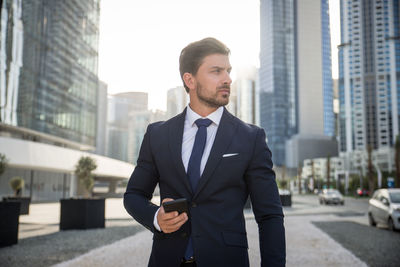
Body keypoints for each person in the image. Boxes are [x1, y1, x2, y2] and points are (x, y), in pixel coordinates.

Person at [124, 37, 285, 267]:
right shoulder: (157, 134)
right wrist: (155, 218)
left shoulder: (251, 138)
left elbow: (269, 215)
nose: (228, 79)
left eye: (228, 71)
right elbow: (133, 195)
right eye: (216, 71)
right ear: (190, 79)